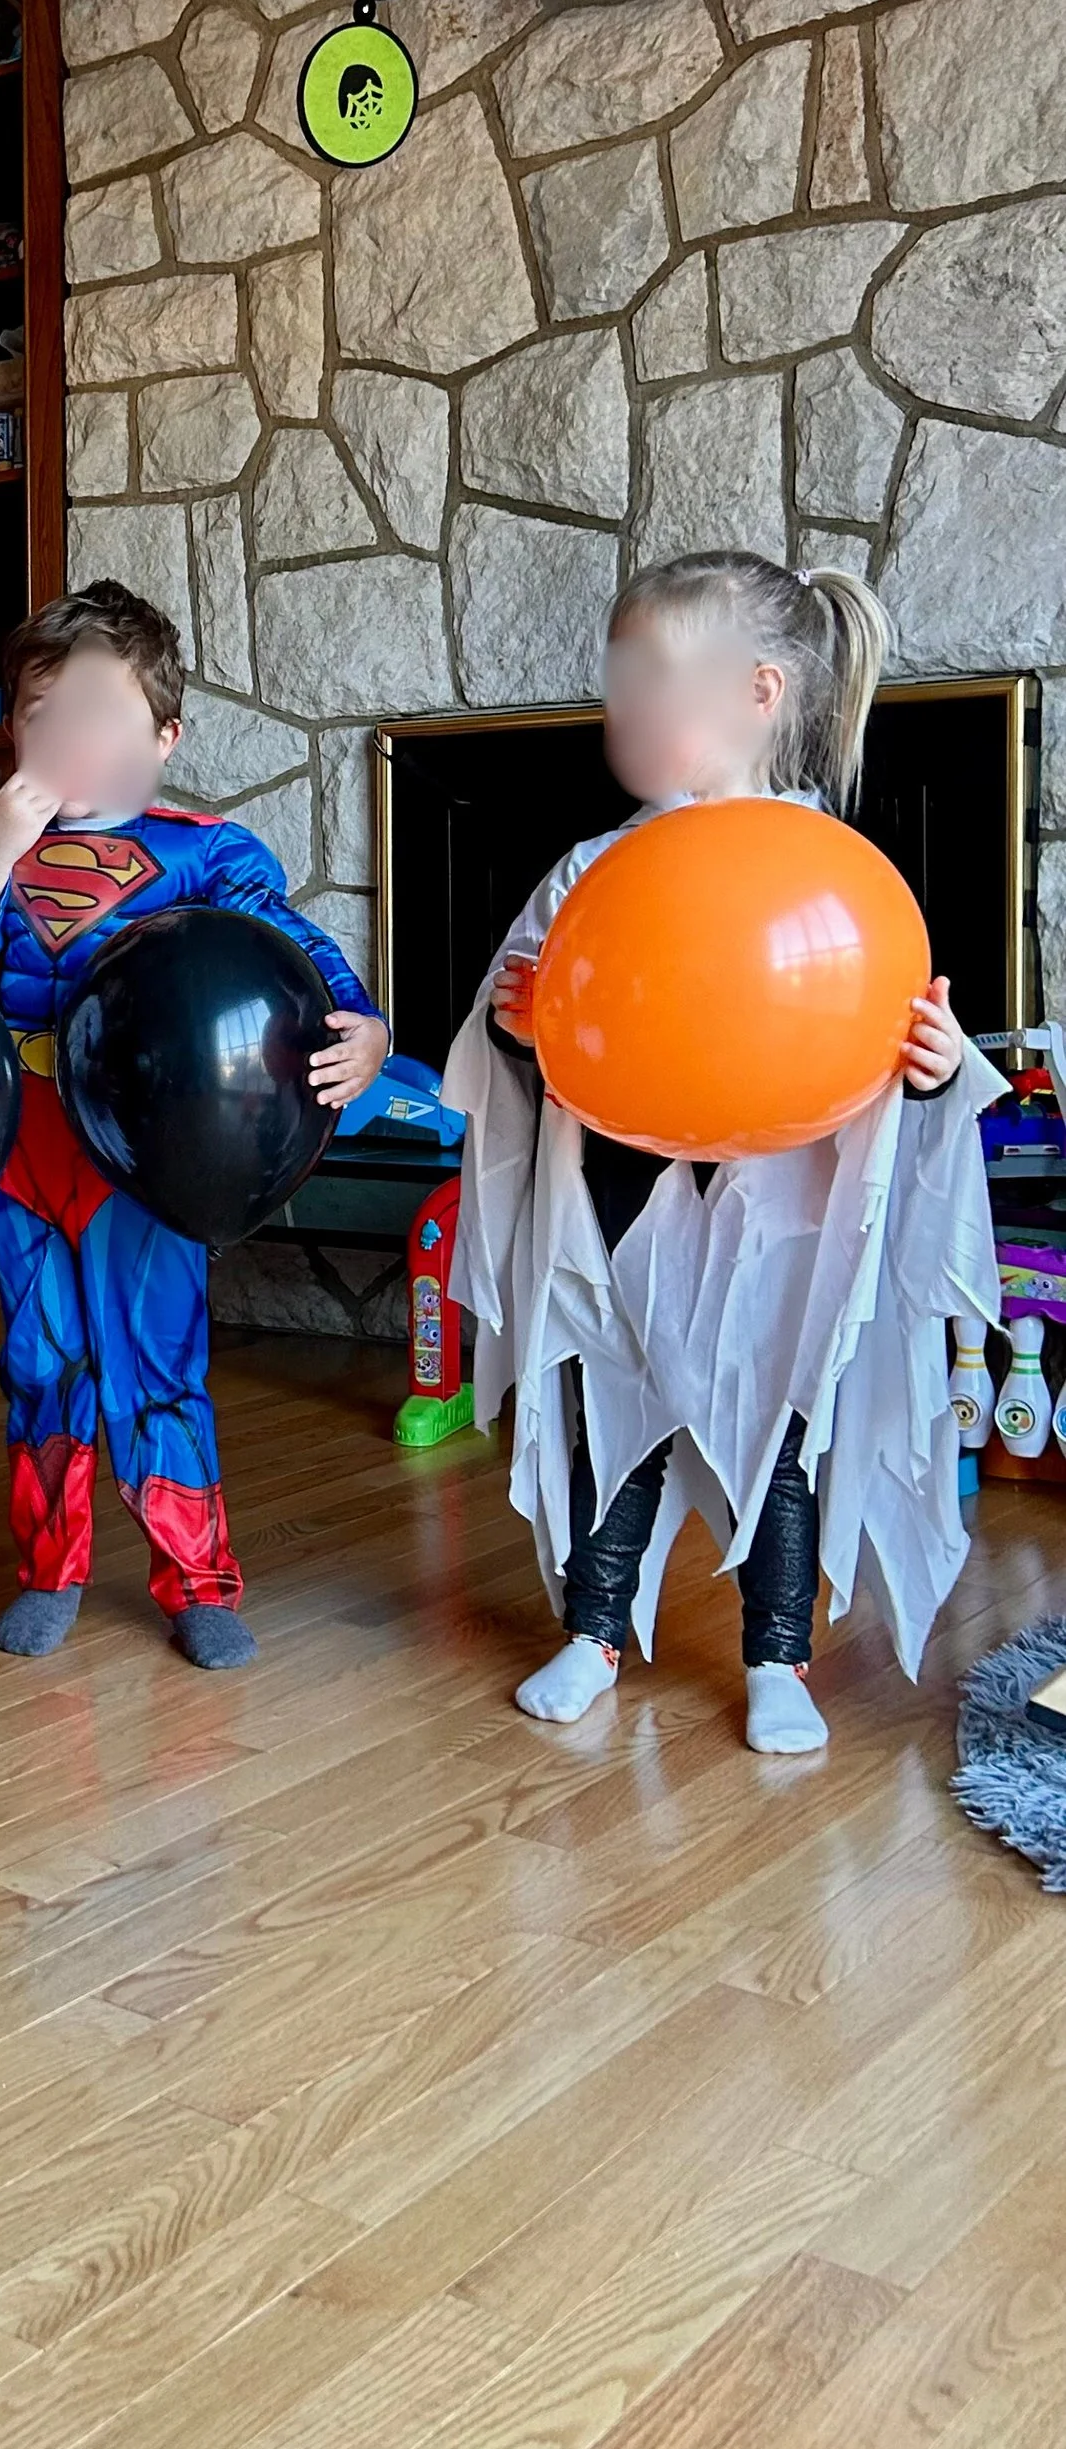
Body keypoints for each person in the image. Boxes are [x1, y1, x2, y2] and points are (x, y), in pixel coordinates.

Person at [444, 551, 998, 1754]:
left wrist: (940, 1060)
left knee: (780, 1434)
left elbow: (899, 1046)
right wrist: (517, 1029)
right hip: (627, 1197)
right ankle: (593, 1631)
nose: (621, 710)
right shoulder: (589, 876)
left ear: (758, 692)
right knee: (611, 1424)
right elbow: (523, 1048)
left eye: (653, 681)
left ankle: (776, 1658)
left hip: (780, 1210)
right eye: (614, 683)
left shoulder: (831, 883)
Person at [0, 580, 389, 1664]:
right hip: (24, 1149)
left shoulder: (206, 853)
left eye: (99, 716)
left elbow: (289, 948)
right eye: (44, 715)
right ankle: (50, 1567)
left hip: (150, 1158)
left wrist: (359, 1017)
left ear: (164, 736)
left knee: (155, 1360)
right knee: (43, 1363)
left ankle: (196, 1578)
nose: (69, 740)